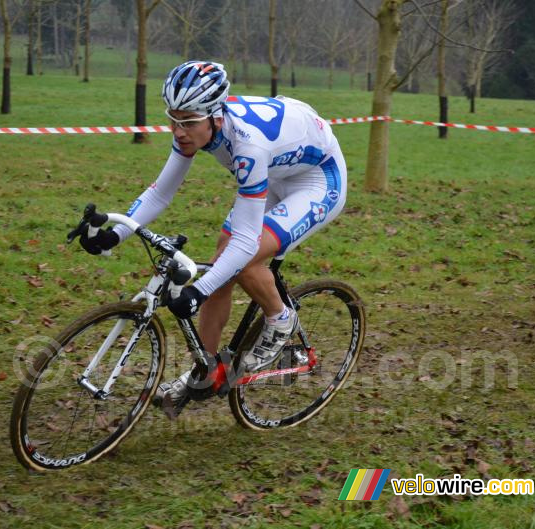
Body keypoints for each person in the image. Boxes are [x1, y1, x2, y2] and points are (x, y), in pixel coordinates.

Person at [80, 60, 348, 414]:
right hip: (277, 169)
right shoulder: (196, 127)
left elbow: (247, 242)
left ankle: (280, 319)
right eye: (173, 119)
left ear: (216, 117)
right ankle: (203, 371)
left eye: (188, 122)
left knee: (243, 260)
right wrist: (114, 235)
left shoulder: (247, 147)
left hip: (317, 179)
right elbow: (161, 193)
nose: (178, 131)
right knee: (224, 261)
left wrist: (196, 291)